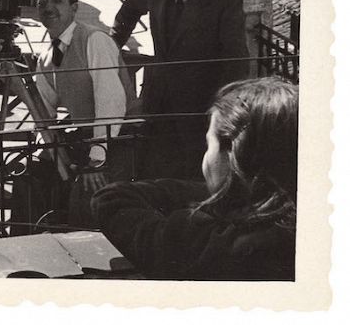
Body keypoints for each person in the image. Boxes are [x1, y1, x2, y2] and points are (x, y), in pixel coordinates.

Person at [92, 77, 297, 280]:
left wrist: (222, 190)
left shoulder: (210, 245)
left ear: (233, 152)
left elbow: (112, 200)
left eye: (210, 145)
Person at [110, 0, 250, 179]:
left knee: (191, 179)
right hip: (156, 103)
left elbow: (236, 61)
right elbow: (129, 9)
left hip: (198, 111)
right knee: (152, 173)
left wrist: (222, 111)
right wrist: (110, 47)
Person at [10, 0, 135, 229]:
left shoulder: (94, 40)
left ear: (74, 8)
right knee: (28, 176)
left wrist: (97, 158)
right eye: (42, 2)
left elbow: (111, 104)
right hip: (86, 135)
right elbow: (43, 108)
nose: (48, 8)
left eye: (57, 1)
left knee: (87, 189)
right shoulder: (47, 54)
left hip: (120, 137)